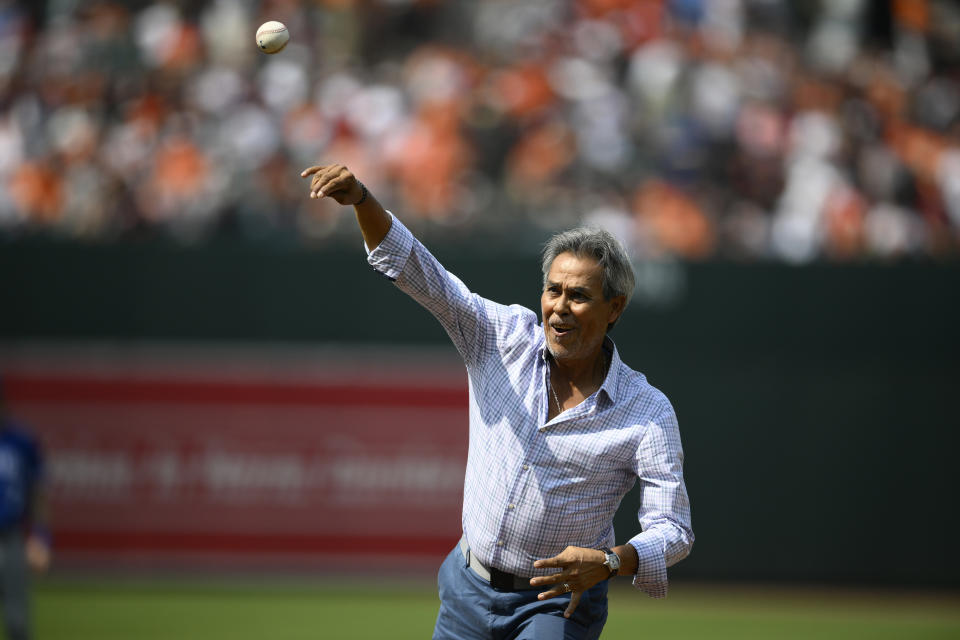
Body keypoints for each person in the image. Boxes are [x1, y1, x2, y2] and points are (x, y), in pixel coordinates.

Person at [301, 164, 693, 639]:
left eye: (579, 296)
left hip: (556, 604)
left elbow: (673, 527)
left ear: (615, 308)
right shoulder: (502, 338)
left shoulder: (647, 410)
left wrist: (611, 562)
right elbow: (422, 274)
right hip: (468, 585)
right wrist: (363, 201)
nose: (560, 306)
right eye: (553, 290)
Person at [0, 385, 51, 640]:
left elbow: (38, 491)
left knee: (17, 621)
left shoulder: (22, 441)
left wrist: (40, 536)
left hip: (11, 537)